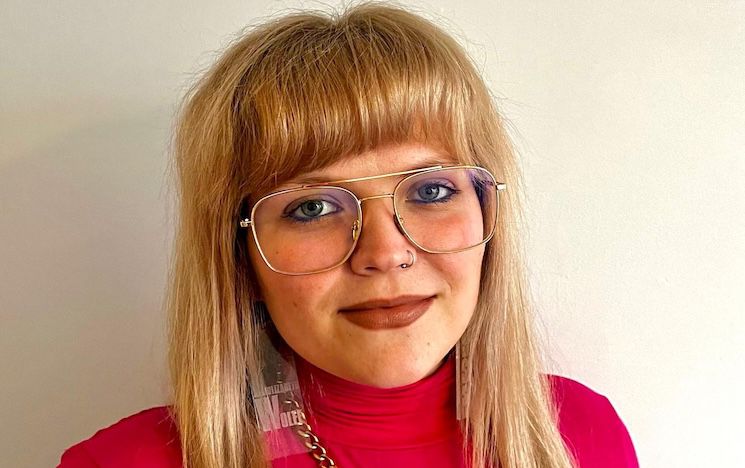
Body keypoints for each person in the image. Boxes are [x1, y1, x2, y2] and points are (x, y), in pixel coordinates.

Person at [58, 3, 639, 468]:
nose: (386, 253)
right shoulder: (117, 462)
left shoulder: (580, 435)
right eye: (311, 207)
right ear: (240, 259)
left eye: (431, 191)